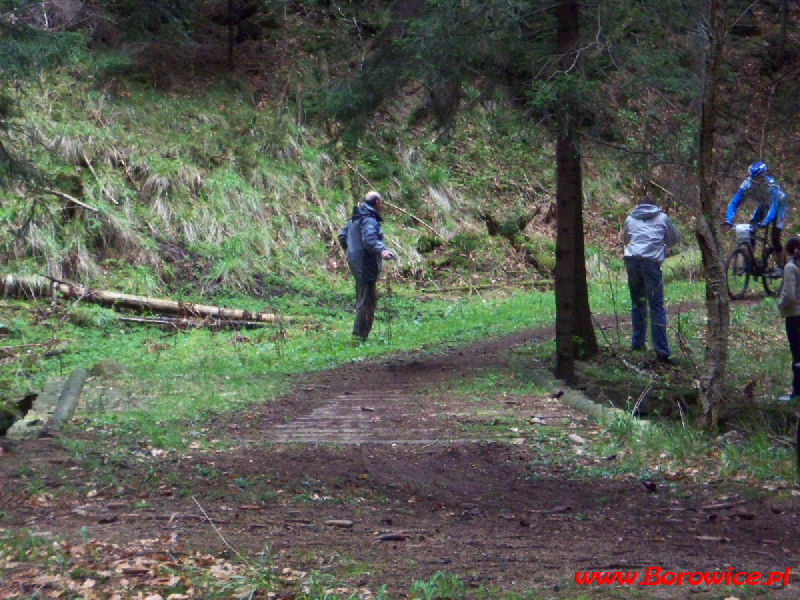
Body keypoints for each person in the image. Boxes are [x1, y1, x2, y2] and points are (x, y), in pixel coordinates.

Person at [623, 196, 680, 364]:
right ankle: (661, 351)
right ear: (654, 205)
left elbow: (627, 240)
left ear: (638, 206)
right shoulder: (662, 218)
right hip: (651, 263)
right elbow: (673, 240)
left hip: (632, 261)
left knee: (637, 304)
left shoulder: (630, 218)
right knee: (656, 307)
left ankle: (637, 344)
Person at [337, 190, 395, 341]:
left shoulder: (355, 218)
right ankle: (359, 336)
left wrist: (351, 250)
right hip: (365, 263)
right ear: (377, 203)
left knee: (363, 296)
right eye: (381, 202)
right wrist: (382, 250)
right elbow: (370, 241)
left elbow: (342, 236)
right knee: (367, 300)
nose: (382, 205)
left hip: (356, 261)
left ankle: (359, 334)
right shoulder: (369, 219)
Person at [725, 161, 787, 272]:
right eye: (753, 178)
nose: (755, 181)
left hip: (778, 207)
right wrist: (728, 219)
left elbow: (773, 207)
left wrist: (765, 222)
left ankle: (781, 267)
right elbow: (734, 202)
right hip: (764, 205)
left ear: (763, 176)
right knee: (750, 230)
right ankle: (750, 262)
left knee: (775, 237)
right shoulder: (747, 184)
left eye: (758, 178)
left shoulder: (771, 186)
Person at [778, 236, 800, 402]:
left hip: (794, 315)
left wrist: (781, 305)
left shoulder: (790, 268)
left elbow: (789, 295)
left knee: (797, 354)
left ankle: (796, 393)